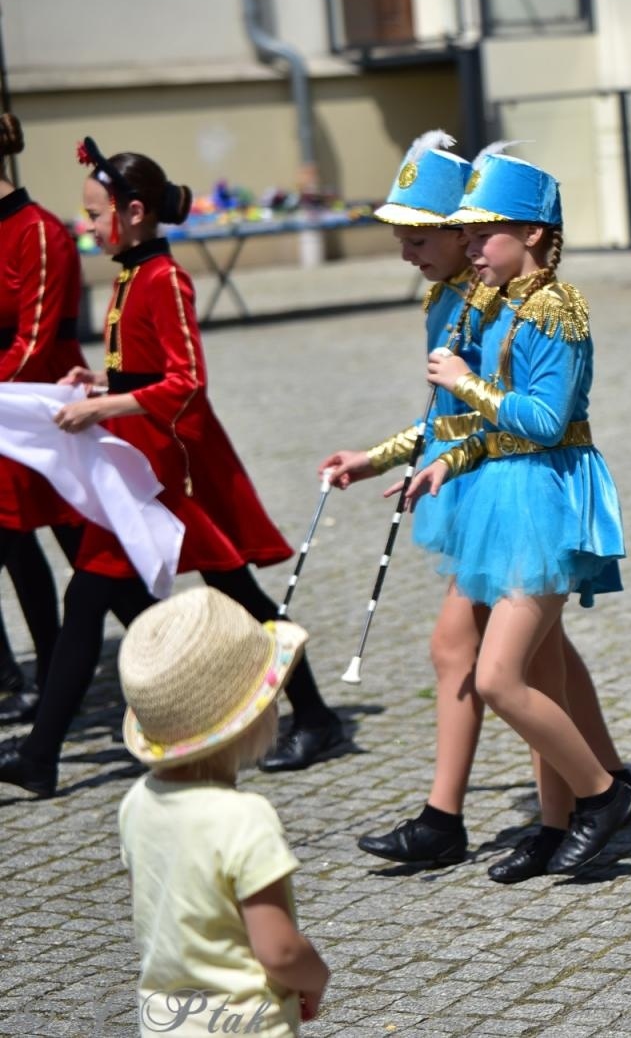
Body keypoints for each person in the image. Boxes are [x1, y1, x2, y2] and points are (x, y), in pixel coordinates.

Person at [0, 140, 344, 799]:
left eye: (95, 214)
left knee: (235, 597)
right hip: (147, 463)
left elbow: (188, 383)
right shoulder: (133, 271)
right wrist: (99, 379)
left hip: (178, 469)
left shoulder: (164, 277)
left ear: (132, 213)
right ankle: (45, 753)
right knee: (106, 593)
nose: (87, 225)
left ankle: (316, 715)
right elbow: (148, 369)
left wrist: (107, 404)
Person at [404, 149, 631, 874]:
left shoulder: (558, 307)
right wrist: (450, 459)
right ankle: (552, 822)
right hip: (504, 490)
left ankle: (601, 793)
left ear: (534, 234)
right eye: (466, 236)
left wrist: (468, 383)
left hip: (546, 496)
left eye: (485, 234)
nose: (470, 248)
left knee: (502, 677)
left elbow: (542, 420)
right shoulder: (499, 303)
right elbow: (498, 434)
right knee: (540, 670)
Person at [118, 588, 330, 1036]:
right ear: (254, 717)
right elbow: (280, 952)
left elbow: (155, 912)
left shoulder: (137, 801)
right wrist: (317, 977)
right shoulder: (243, 817)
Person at [0, 111, 86, 725]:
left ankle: (62, 669)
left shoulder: (39, 231)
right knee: (7, 537)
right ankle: (23, 676)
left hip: (43, 405)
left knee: (86, 546)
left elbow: (33, 341)